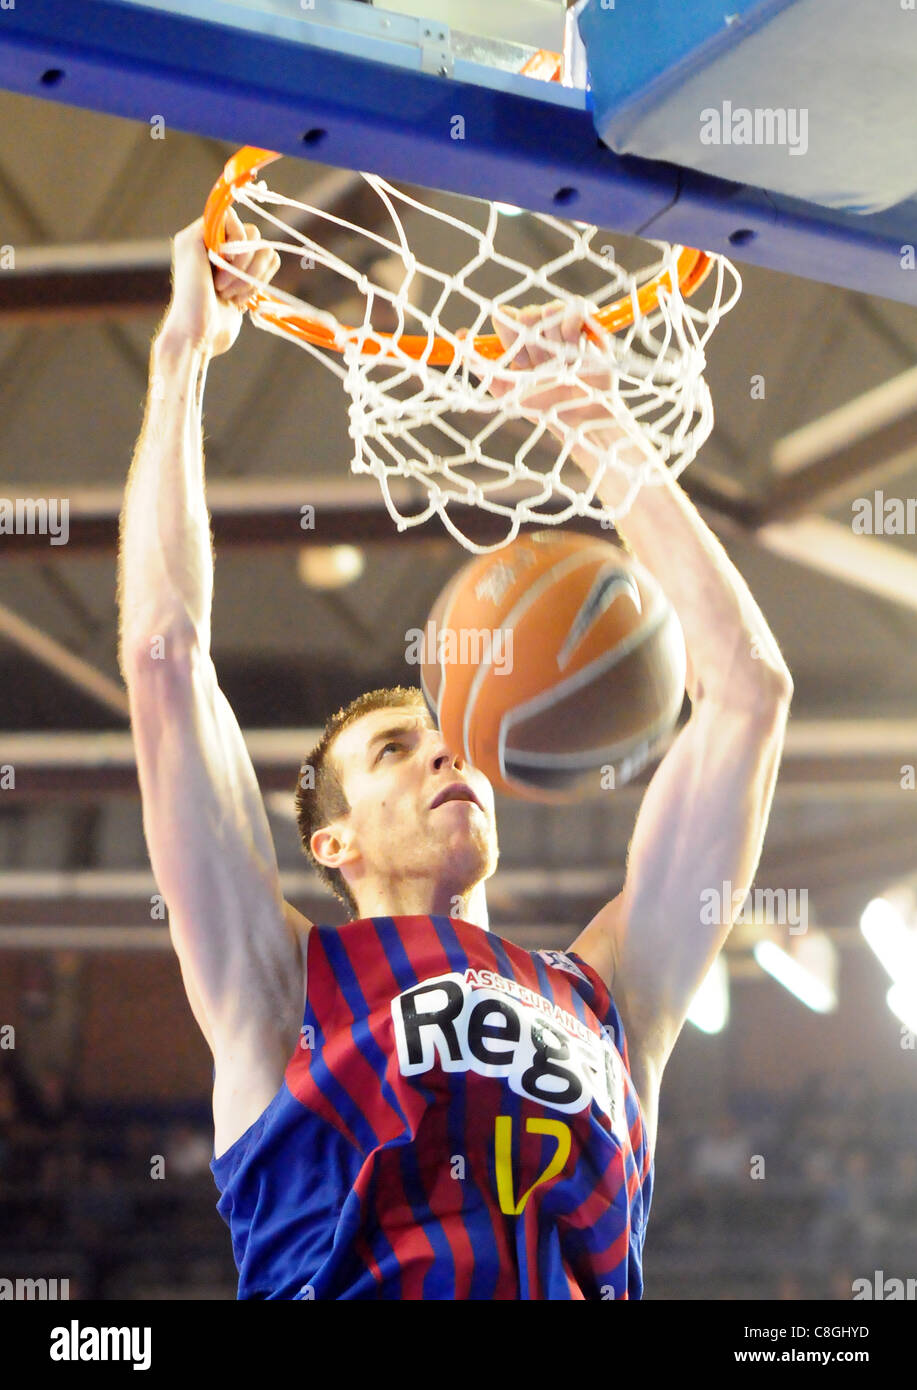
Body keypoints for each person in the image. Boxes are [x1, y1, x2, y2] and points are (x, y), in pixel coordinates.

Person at [117, 209, 793, 1299]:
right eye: (395, 750)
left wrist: (592, 423)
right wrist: (182, 356)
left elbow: (748, 695)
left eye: (449, 742)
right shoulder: (280, 983)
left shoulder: (611, 993)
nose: (446, 759)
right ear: (327, 840)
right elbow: (163, 656)